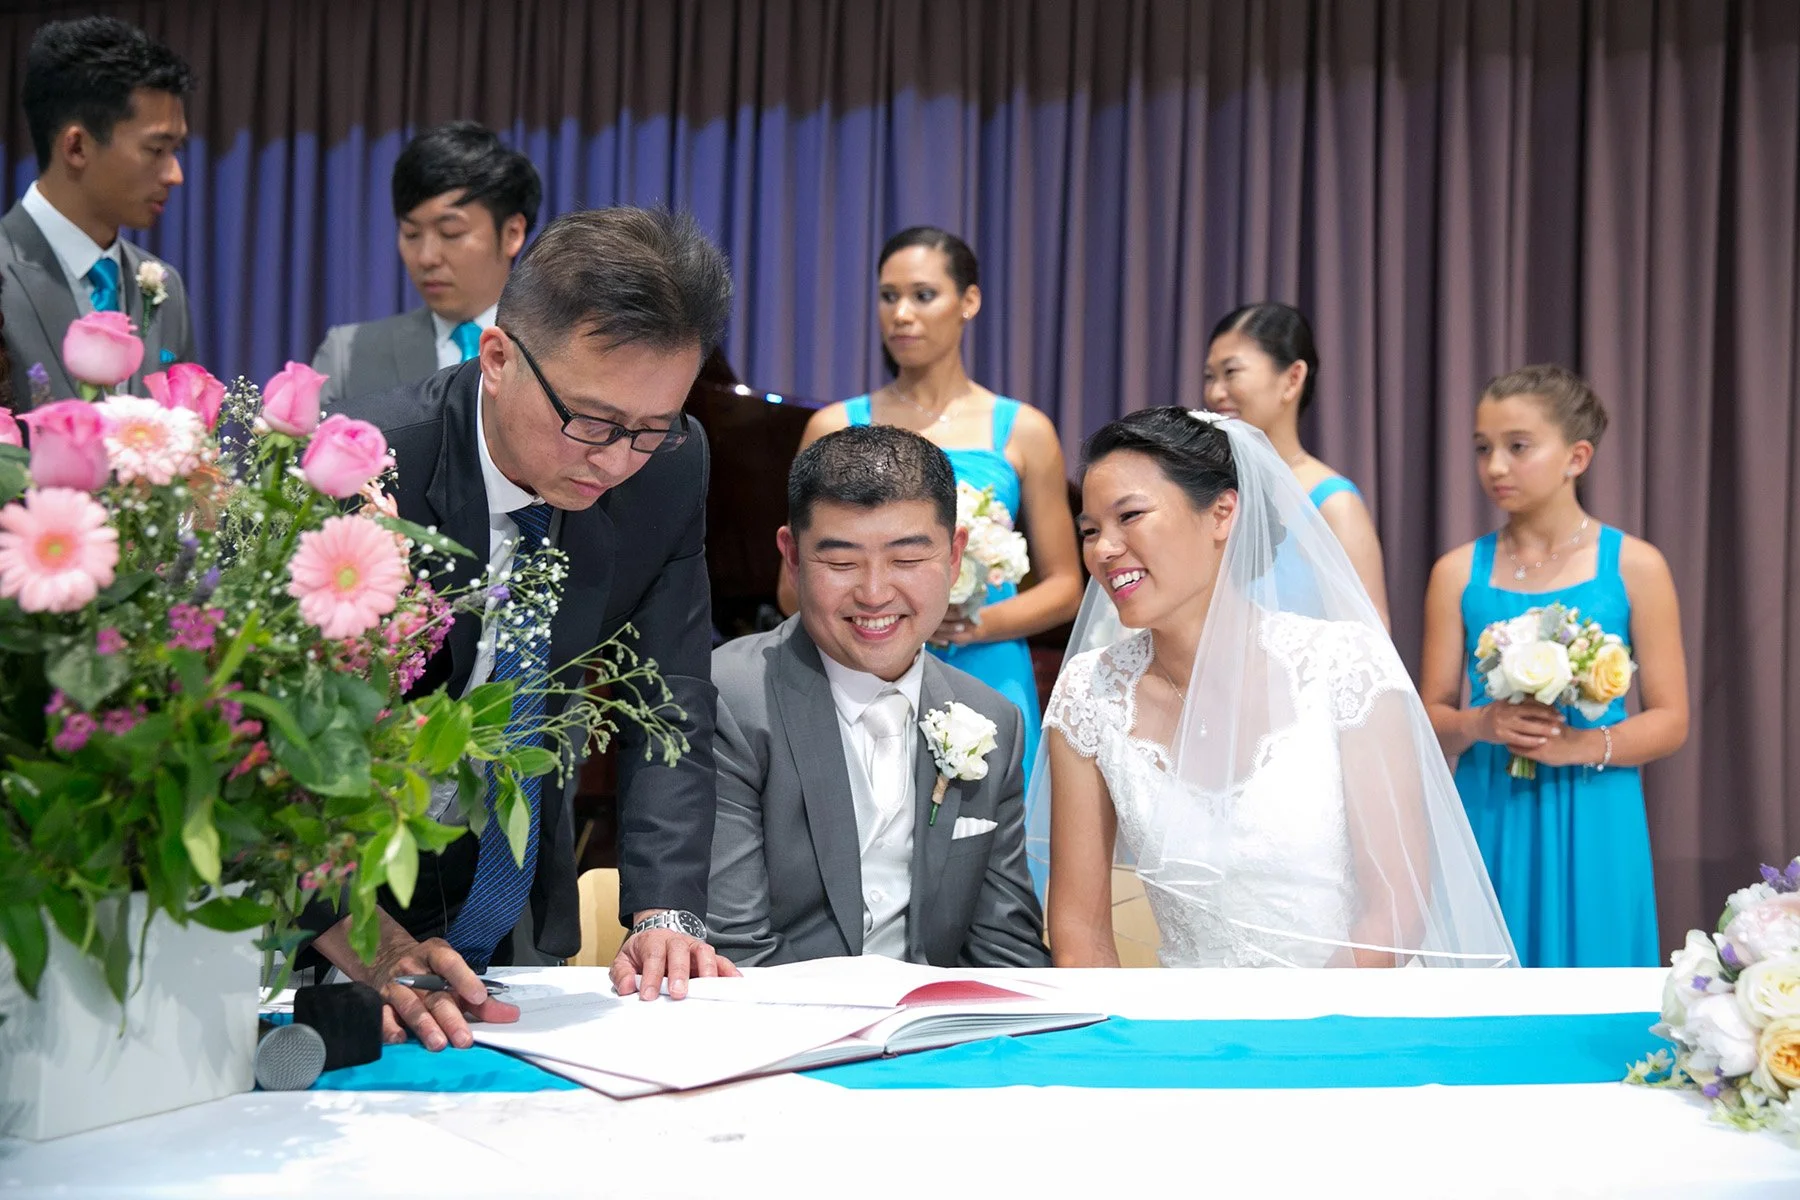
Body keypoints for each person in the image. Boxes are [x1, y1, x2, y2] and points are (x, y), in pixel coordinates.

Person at [308, 207, 739, 1050]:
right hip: (329, 903)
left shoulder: (670, 467)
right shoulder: (362, 463)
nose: (615, 460)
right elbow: (260, 740)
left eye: (651, 428)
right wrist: (363, 936)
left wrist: (665, 910)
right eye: (591, 421)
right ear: (498, 358)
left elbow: (671, 690)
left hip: (505, 899)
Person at [1035, 407, 1514, 969]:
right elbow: (1079, 930)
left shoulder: (1346, 669)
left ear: (1221, 513)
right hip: (1186, 1043)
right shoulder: (1088, 693)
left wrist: (1295, 1044)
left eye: (1130, 516)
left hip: (1342, 1027)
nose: (1103, 549)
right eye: (1090, 530)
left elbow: (1394, 909)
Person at [709, 425, 1049, 968]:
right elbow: (733, 951)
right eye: (841, 562)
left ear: (955, 555)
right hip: (782, 1038)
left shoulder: (991, 720)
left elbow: (1005, 950)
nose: (873, 594)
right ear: (792, 558)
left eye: (907, 560)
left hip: (936, 1039)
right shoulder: (727, 697)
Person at [780, 227, 1082, 792]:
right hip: (862, 665)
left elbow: (1066, 584)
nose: (901, 314)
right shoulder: (834, 426)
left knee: (991, 846)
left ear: (969, 301)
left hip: (988, 665)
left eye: (922, 295)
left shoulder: (1024, 430)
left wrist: (968, 624)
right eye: (888, 296)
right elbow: (791, 587)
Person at [1420, 365, 1688, 967]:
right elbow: (1429, 715)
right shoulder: (1456, 572)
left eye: (1518, 447)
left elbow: (1671, 720)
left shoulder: (1637, 567)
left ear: (1577, 456)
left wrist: (1580, 745)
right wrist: (1481, 726)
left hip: (1596, 808)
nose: (1494, 467)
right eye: (1483, 448)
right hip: (1490, 804)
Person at [0, 16, 197, 406]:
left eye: (177, 151)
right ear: (76, 147)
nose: (175, 175)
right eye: (156, 150)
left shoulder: (166, 288)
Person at [312, 121, 541, 408]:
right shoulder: (349, 355)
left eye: (451, 233)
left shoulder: (554, 351)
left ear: (512, 234)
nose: (426, 257)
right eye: (411, 234)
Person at [1203, 303, 1390, 627]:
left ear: (1292, 378)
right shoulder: (1206, 490)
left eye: (1231, 372)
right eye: (1209, 377)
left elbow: (1370, 639)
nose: (1216, 392)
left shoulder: (1334, 504)